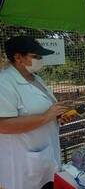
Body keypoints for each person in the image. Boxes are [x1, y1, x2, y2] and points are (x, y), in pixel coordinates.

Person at [0, 36, 71, 189]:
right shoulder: (4, 83)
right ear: (18, 57)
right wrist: (47, 116)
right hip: (23, 164)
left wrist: (57, 117)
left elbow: (45, 110)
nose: (40, 60)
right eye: (35, 56)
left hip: (46, 157)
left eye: (41, 56)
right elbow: (3, 126)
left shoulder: (36, 79)